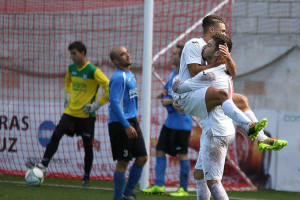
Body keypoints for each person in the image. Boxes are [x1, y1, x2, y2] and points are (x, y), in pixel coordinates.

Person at [173, 15, 287, 151]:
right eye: (222, 31)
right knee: (222, 95)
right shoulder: (195, 45)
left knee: (242, 100)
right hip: (190, 96)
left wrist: (227, 58)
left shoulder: (218, 49)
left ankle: (262, 139)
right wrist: (219, 63)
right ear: (211, 30)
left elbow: (232, 72)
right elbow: (193, 72)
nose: (225, 33)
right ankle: (249, 127)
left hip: (204, 96)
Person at [26, 41, 110, 187]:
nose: (71, 56)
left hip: (86, 116)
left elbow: (109, 86)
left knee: (87, 146)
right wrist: (67, 94)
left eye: (74, 53)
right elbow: (68, 81)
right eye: (70, 53)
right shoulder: (71, 69)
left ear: (82, 53)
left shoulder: (93, 71)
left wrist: (96, 105)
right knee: (56, 134)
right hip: (70, 112)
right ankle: (43, 165)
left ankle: (86, 177)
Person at [142, 44, 193, 197]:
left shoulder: (187, 76)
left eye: (176, 54)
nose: (173, 56)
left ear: (182, 57)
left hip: (182, 124)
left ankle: (183, 189)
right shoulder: (173, 73)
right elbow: (167, 88)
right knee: (159, 151)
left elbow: (189, 98)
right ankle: (159, 185)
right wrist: (163, 92)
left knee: (182, 155)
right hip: (169, 122)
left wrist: (169, 101)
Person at [108, 46, 148, 200]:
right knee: (123, 162)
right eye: (122, 55)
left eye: (127, 52)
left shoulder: (129, 74)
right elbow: (113, 103)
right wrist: (126, 125)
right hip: (120, 123)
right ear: (116, 61)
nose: (127, 55)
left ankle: (127, 193)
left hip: (131, 121)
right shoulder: (119, 77)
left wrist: (134, 124)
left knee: (142, 157)